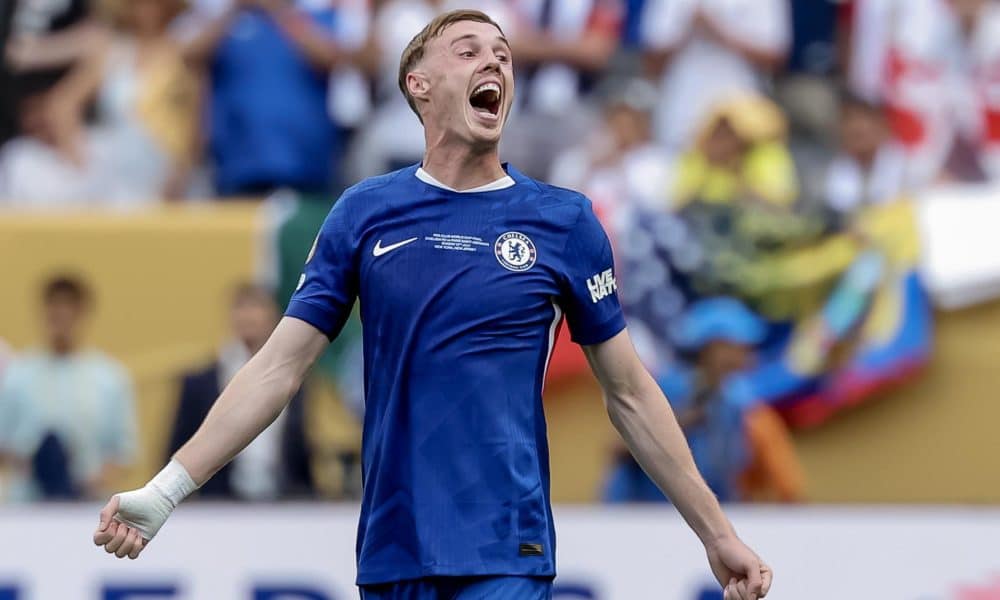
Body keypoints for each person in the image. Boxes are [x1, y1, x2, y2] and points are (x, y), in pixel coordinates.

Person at [93, 10, 772, 600]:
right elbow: (277, 368)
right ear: (418, 85)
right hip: (395, 549)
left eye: (503, 55)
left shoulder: (563, 221)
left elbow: (629, 392)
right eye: (469, 51)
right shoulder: (364, 213)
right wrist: (165, 491)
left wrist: (717, 533)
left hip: (508, 547)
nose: (494, 63)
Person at [603, 297, 805, 504]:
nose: (748, 352)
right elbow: (619, 449)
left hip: (701, 514)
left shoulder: (733, 400)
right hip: (643, 512)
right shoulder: (666, 388)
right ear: (713, 348)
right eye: (740, 344)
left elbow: (728, 472)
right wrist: (680, 422)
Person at [166, 283, 315, 501]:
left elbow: (300, 448)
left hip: (283, 501)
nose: (248, 316)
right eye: (241, 308)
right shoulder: (201, 381)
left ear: (274, 316)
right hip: (218, 503)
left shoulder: (296, 377)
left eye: (256, 307)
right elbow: (177, 443)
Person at [0, 275, 137, 502]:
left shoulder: (110, 377)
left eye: (68, 309)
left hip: (87, 506)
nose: (62, 318)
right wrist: (31, 462)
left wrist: (92, 480)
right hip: (27, 504)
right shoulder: (17, 375)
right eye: (55, 309)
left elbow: (124, 452)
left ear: (82, 313)